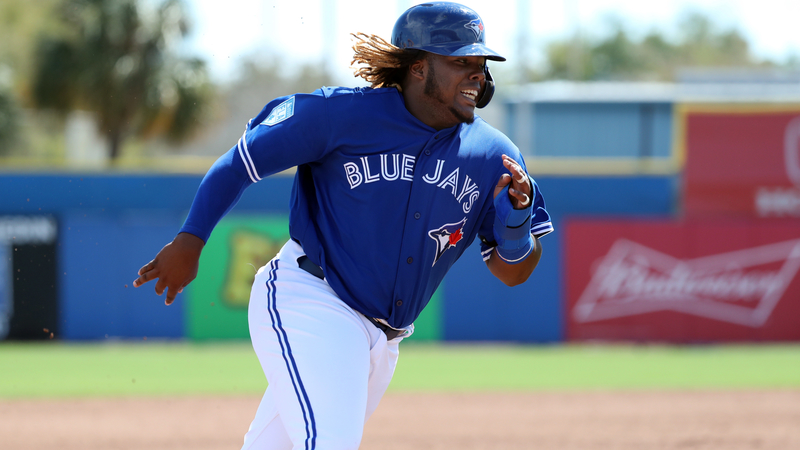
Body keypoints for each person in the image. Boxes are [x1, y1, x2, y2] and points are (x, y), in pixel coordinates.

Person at [133, 2, 553, 449]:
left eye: (480, 64)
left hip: (381, 342)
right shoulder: (339, 115)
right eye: (459, 62)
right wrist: (191, 239)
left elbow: (513, 271)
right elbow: (241, 162)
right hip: (311, 301)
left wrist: (515, 229)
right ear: (416, 67)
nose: (476, 75)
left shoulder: (495, 156)